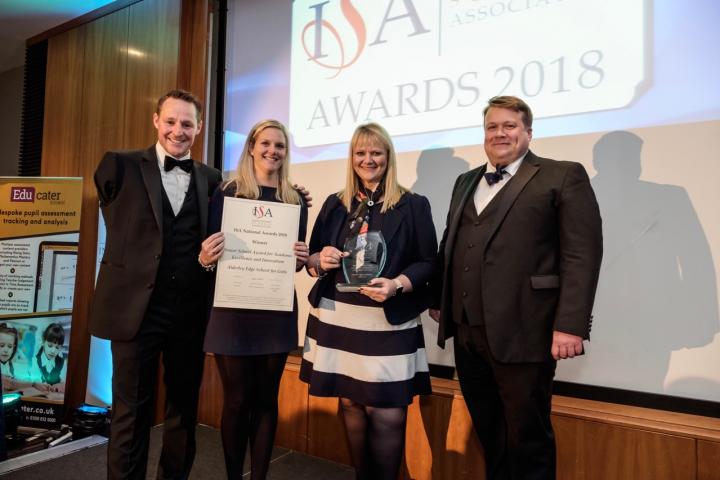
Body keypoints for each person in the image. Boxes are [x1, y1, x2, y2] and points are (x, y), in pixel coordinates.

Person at [430, 95, 603, 480]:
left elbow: (582, 255)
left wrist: (571, 324)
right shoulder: (465, 180)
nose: (500, 133)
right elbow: (451, 243)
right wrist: (438, 296)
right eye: (492, 127)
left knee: (528, 436)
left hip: (527, 330)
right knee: (490, 430)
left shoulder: (562, 175)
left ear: (528, 132)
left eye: (509, 126)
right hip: (468, 331)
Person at [89, 89, 223, 480]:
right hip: (134, 311)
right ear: (155, 120)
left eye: (187, 124)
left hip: (189, 313)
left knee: (183, 411)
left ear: (199, 128)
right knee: (131, 413)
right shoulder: (119, 165)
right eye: (171, 121)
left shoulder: (213, 179)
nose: (178, 131)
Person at [300, 122, 437, 480]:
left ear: (388, 156)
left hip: (386, 322)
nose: (368, 159)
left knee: (387, 409)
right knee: (351, 402)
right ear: (352, 158)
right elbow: (311, 258)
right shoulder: (335, 204)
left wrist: (397, 284)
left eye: (376, 152)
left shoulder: (413, 205)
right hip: (339, 319)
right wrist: (319, 260)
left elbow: (429, 261)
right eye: (360, 152)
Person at [199, 119, 309, 479]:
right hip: (232, 309)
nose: (272, 151)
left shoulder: (294, 200)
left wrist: (299, 256)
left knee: (265, 401)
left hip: (274, 311)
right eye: (266, 143)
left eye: (280, 146)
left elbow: (293, 263)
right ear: (251, 146)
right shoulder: (227, 193)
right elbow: (211, 249)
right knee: (236, 400)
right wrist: (207, 255)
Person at [32, 323, 67, 393]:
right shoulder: (36, 360)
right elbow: (35, 380)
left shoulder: (62, 362)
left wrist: (60, 385)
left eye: (57, 347)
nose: (53, 351)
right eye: (50, 346)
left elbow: (64, 382)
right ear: (43, 342)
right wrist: (38, 384)